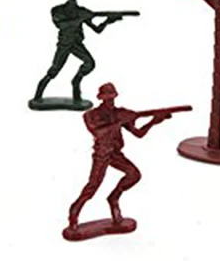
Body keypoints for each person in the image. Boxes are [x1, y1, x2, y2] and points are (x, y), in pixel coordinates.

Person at [68, 83, 172, 229]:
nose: (110, 101)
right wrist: (119, 122)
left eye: (112, 97)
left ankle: (114, 198)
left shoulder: (120, 113)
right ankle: (74, 212)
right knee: (92, 187)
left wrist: (153, 121)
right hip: (102, 153)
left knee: (134, 174)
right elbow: (98, 132)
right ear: (101, 98)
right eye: (107, 98)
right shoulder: (92, 115)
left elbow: (139, 134)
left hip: (115, 154)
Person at [32, 0, 122, 104]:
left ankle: (76, 82)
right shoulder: (57, 10)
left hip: (76, 44)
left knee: (90, 63)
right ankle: (37, 96)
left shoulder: (82, 11)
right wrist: (80, 18)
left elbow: (97, 30)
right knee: (54, 70)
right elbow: (62, 25)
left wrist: (107, 21)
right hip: (64, 44)